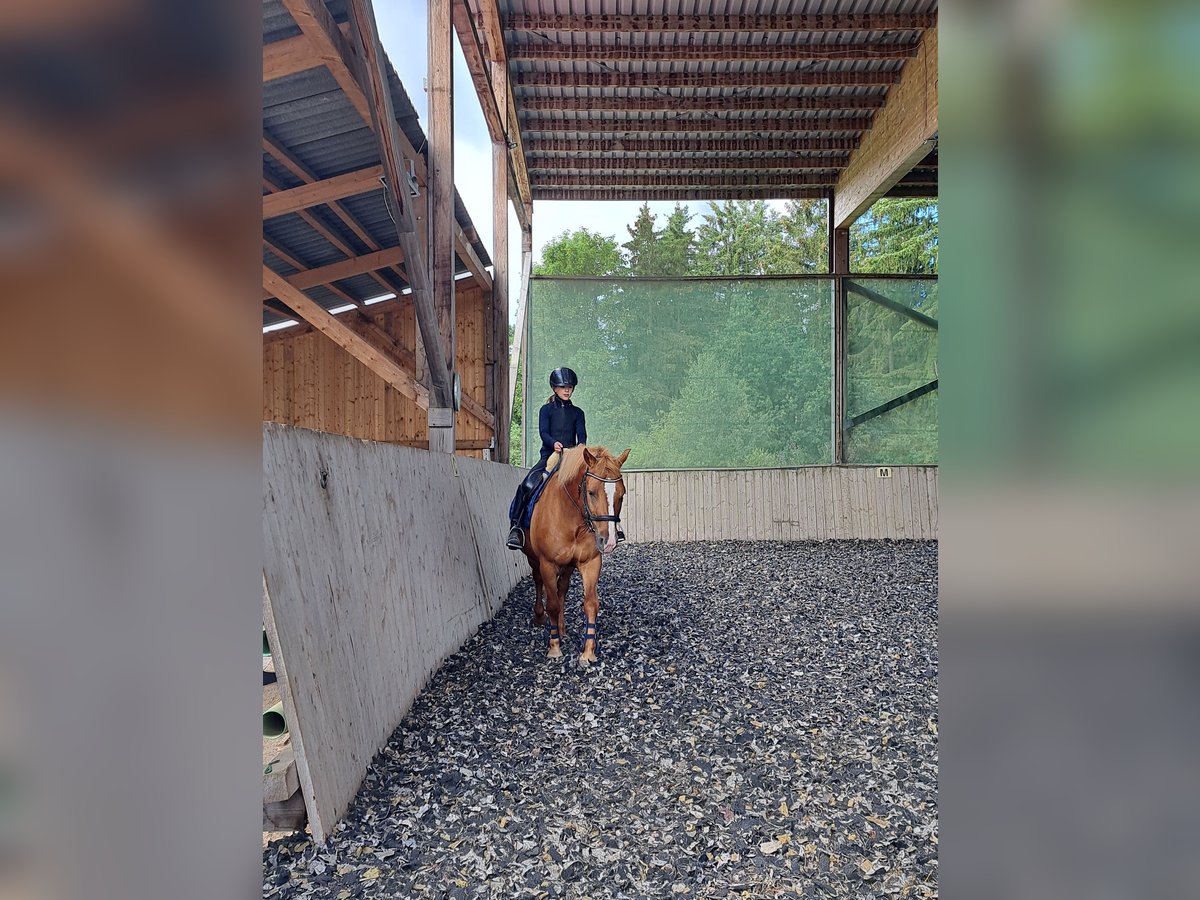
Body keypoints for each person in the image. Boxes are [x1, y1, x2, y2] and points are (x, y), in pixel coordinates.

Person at [508, 367, 622, 549]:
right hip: (550, 456)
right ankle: (516, 527)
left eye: (569, 387)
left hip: (573, 459)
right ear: (554, 388)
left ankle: (611, 525)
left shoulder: (578, 413)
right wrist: (553, 443)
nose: (567, 390)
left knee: (594, 488)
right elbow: (543, 432)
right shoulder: (546, 410)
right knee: (527, 485)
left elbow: (582, 436)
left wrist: (580, 447)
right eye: (563, 387)